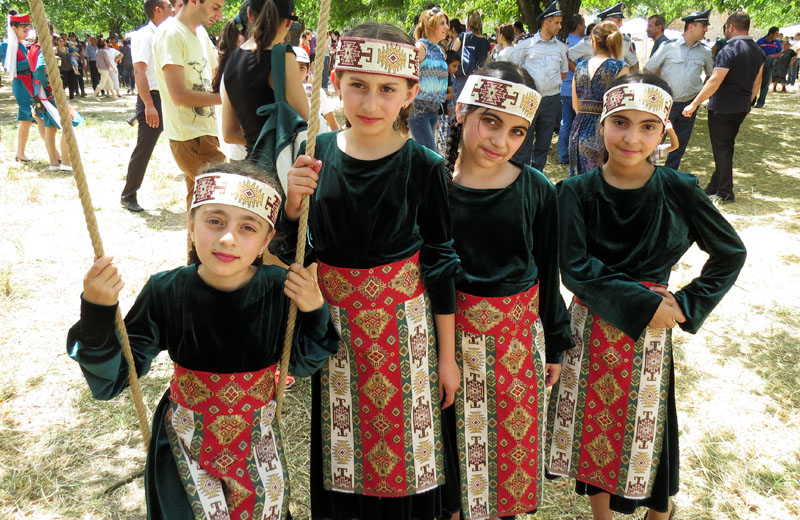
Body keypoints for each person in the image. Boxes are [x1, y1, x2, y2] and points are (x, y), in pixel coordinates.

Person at [68, 162, 340, 520]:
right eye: (214, 221)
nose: (228, 238)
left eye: (247, 227)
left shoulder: (280, 289)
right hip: (183, 440)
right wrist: (98, 312)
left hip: (255, 440)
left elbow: (304, 362)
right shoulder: (167, 291)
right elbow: (116, 378)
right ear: (191, 225)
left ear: (265, 241)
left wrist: (314, 309)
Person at [547, 73, 746, 520]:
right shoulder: (574, 193)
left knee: (647, 430)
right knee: (593, 430)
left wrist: (687, 304)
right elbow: (575, 268)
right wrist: (644, 305)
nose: (632, 137)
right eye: (620, 122)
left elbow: (730, 252)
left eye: (647, 125)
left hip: (650, 340)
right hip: (591, 329)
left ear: (664, 130)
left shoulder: (679, 190)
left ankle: (661, 513)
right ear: (602, 125)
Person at [285, 21, 461, 520]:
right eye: (357, 84)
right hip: (334, 327)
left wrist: (447, 359)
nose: (370, 103)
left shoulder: (425, 166)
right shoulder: (315, 156)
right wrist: (294, 208)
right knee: (344, 453)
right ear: (336, 82)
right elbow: (297, 247)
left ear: (410, 93)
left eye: (387, 89)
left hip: (405, 335)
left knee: (409, 449)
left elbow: (440, 264)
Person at [441, 61, 572, 519]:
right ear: (462, 111)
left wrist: (556, 342)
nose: (501, 141)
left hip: (515, 351)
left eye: (517, 132)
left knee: (505, 466)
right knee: (451, 468)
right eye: (490, 122)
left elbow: (549, 271)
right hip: (445, 349)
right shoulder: (431, 184)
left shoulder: (536, 189)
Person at [682, 11, 765, 203]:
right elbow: (757, 81)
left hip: (723, 107)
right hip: (741, 107)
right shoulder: (758, 50)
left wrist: (694, 103)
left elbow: (715, 80)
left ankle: (725, 192)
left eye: (725, 27)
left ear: (731, 27)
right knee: (725, 147)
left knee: (722, 149)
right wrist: (748, 103)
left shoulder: (728, 50)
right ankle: (715, 185)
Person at [153, 0, 226, 207]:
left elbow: (213, 79)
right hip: (188, 136)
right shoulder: (171, 33)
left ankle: (195, 241)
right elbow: (178, 96)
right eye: (215, 7)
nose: (219, 15)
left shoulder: (201, 33)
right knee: (221, 201)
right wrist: (225, 98)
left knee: (200, 206)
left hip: (206, 132)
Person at [221, 0, 308, 161]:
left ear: (249, 15)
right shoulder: (283, 57)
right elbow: (306, 124)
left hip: (251, 170)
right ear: (289, 22)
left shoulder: (232, 59)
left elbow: (229, 134)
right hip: (281, 171)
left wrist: (259, 140)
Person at [121, 0, 174, 213]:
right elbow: (139, 72)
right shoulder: (144, 35)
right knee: (144, 148)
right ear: (157, 10)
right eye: (170, 5)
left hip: (168, 97)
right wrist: (149, 105)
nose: (173, 9)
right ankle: (128, 195)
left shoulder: (165, 34)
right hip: (152, 98)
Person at [644, 9, 713, 170]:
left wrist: (698, 98)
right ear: (691, 26)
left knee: (680, 143)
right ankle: (646, 172)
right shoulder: (668, 47)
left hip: (689, 105)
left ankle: (669, 176)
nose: (706, 30)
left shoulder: (705, 51)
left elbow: (711, 76)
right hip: (666, 103)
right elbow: (649, 70)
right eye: (703, 26)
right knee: (655, 140)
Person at [510, 0, 568, 171]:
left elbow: (563, 72)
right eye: (556, 23)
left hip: (551, 100)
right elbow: (515, 69)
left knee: (544, 140)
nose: (559, 26)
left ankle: (537, 177)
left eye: (560, 23)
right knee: (524, 138)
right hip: (529, 98)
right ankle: (519, 174)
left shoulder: (561, 47)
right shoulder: (526, 44)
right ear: (546, 22)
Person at [569, 21, 628, 177]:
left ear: (593, 42)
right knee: (604, 178)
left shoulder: (580, 66)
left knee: (581, 178)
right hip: (607, 128)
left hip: (580, 127)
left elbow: (576, 106)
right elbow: (623, 108)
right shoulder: (620, 67)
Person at [1, 11, 46, 163]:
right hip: (21, 84)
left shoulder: (26, 44)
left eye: (28, 29)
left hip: (32, 83)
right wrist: (31, 60)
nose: (27, 32)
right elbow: (9, 68)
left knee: (26, 121)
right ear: (14, 28)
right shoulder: (5, 45)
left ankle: (20, 153)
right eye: (24, 29)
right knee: (39, 116)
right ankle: (55, 153)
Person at [409, 5, 450, 153]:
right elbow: (408, 78)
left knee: (425, 158)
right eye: (442, 23)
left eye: (446, 23)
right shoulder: (420, 47)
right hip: (418, 111)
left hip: (433, 111)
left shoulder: (439, 49)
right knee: (432, 157)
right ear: (430, 25)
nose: (446, 27)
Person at [569, 2, 639, 73]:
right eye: (618, 20)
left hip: (616, 83)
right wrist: (582, 75)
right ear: (607, 22)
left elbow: (634, 64)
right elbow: (567, 58)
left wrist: (626, 79)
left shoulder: (624, 42)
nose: (621, 24)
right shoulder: (589, 41)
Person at [558, 13, 585, 164]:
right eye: (584, 24)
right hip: (577, 90)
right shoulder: (582, 44)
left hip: (563, 88)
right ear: (579, 26)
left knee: (565, 123)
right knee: (578, 125)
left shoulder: (563, 42)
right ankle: (575, 156)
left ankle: (563, 155)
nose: (585, 27)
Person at [294, 46, 339, 133]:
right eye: (293, 67)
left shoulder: (315, 92)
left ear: (308, 71)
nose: (296, 71)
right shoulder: (280, 94)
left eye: (302, 68)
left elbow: (332, 123)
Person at [451, 11, 490, 100]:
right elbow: (487, 63)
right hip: (478, 79)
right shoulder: (486, 42)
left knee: (460, 106)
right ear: (480, 25)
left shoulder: (463, 37)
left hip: (463, 77)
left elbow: (452, 53)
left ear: (468, 25)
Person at [754, 26, 782, 108]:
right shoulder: (760, 41)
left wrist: (772, 56)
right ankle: (752, 100)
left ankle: (761, 102)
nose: (777, 36)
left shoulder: (777, 43)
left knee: (765, 84)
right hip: (758, 64)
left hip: (769, 65)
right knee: (755, 82)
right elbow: (754, 51)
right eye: (776, 34)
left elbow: (779, 54)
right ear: (770, 34)